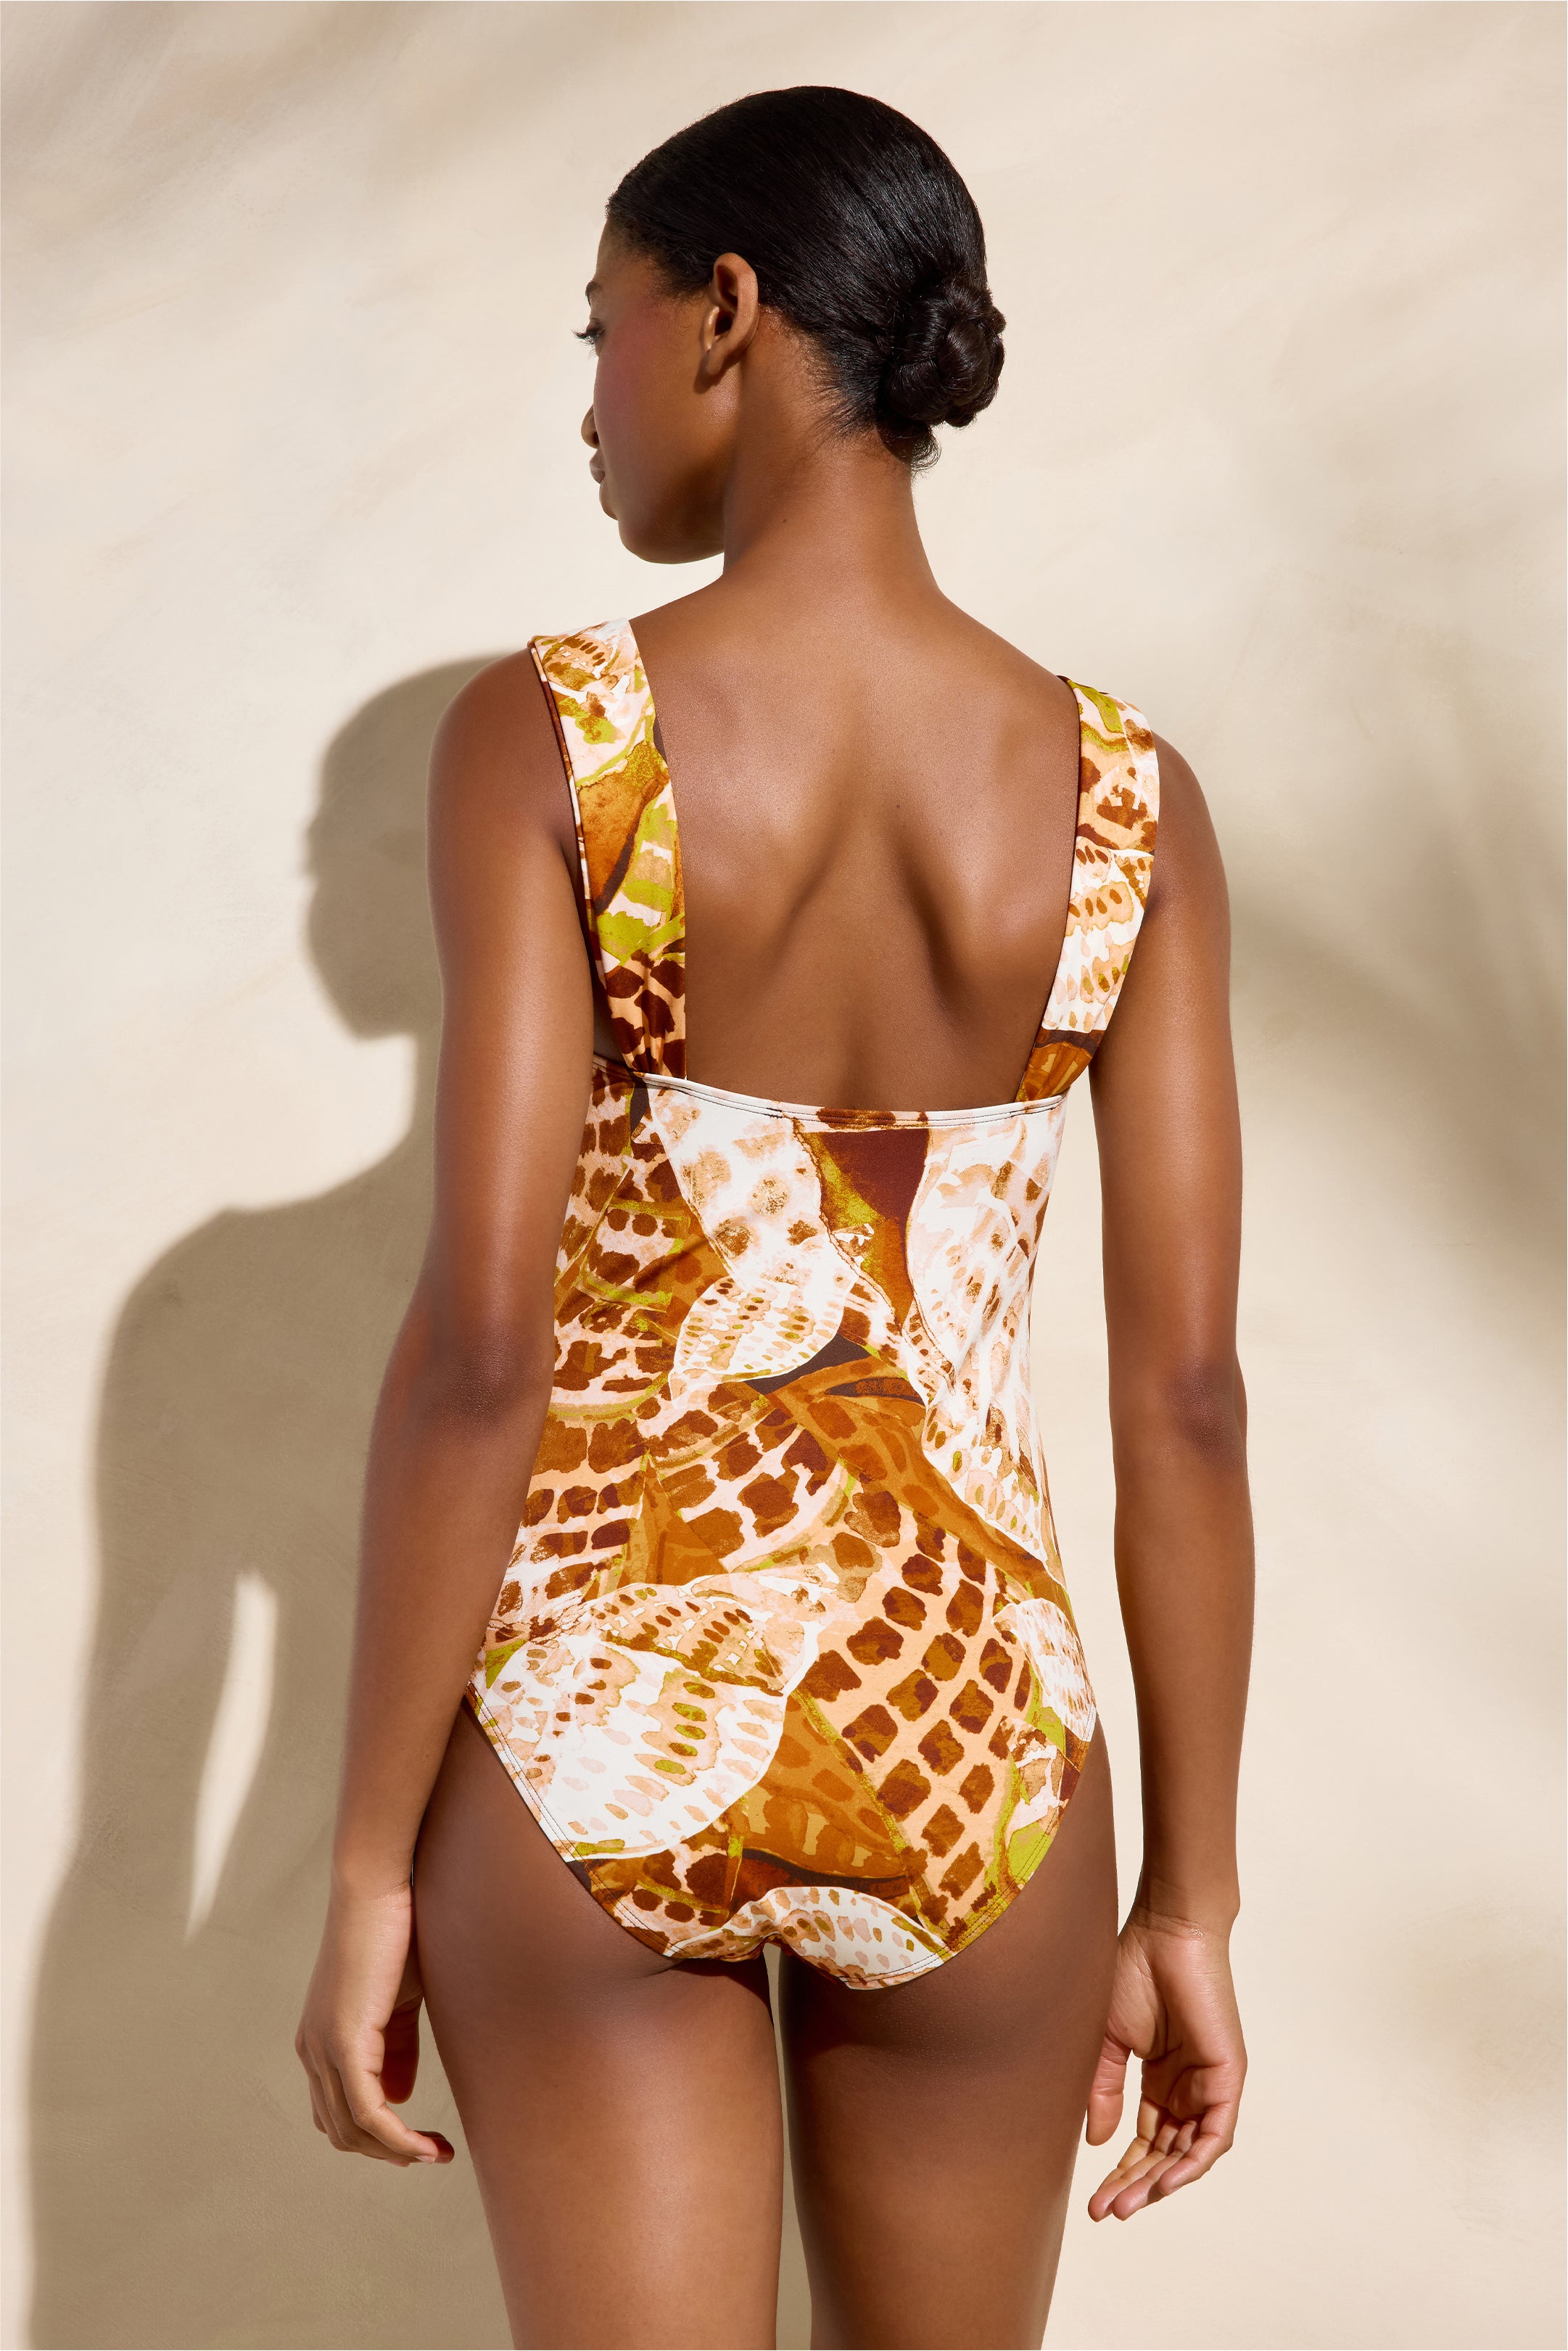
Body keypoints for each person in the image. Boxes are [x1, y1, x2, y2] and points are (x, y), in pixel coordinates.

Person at [295, 85, 1253, 2351]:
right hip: (982, 1748)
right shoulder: (1128, 803)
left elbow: (483, 1354)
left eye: (600, 331)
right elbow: (1189, 1401)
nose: (591, 403)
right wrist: (1190, 1893)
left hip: (595, 1719)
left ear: (723, 312)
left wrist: (360, 1864)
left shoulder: (558, 739)